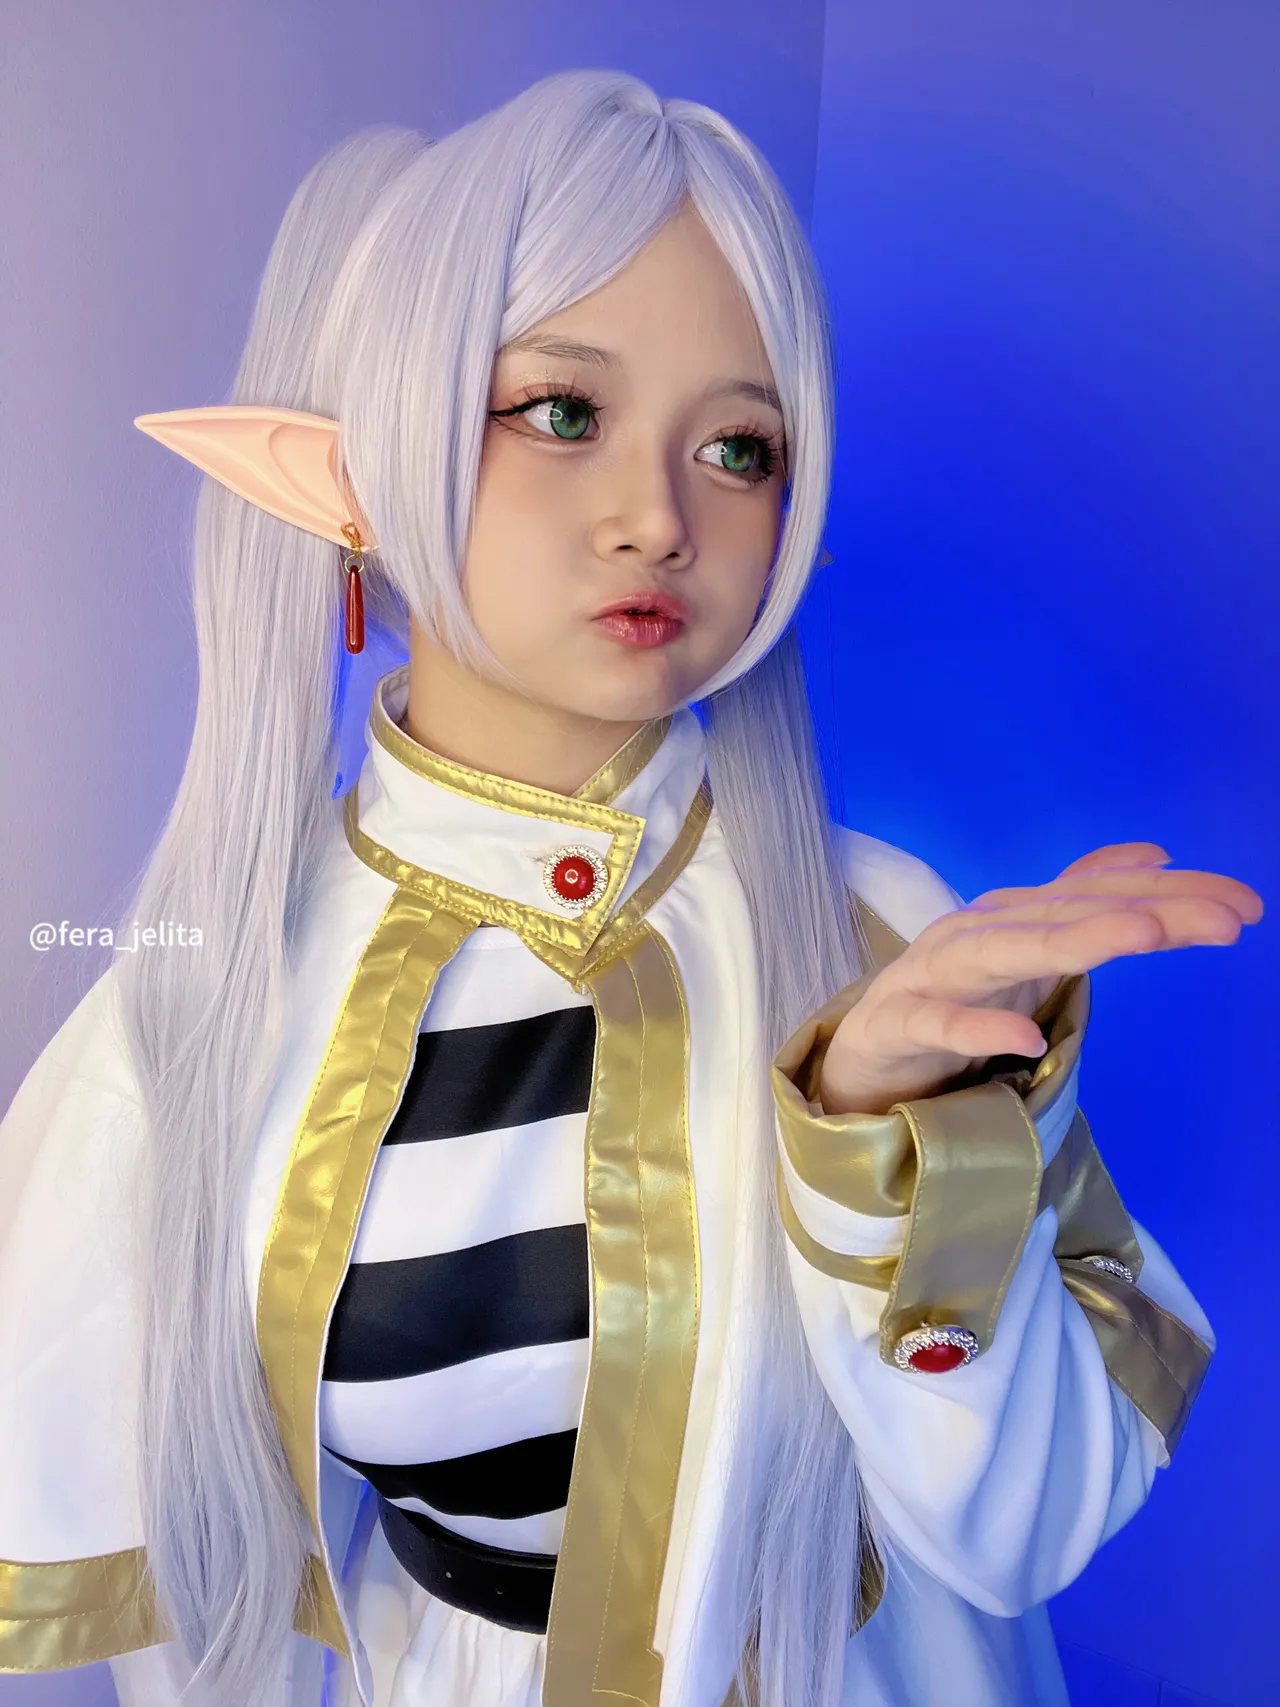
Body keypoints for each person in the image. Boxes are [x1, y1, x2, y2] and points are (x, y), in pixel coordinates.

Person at [0, 68, 1258, 1707]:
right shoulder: (206, 996)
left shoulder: (888, 941)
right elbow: (185, 1585)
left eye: (737, 446)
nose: (660, 518)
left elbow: (1034, 1525)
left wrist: (893, 1151)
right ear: (355, 471)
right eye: (560, 412)